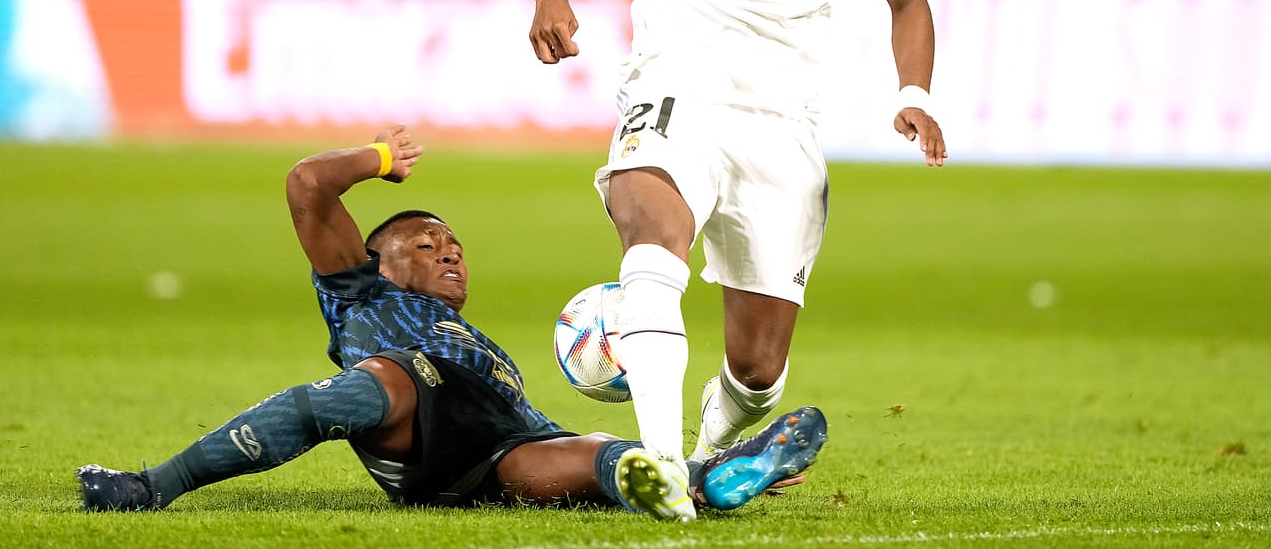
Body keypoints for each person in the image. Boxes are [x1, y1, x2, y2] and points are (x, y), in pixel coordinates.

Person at [527, 0, 947, 521]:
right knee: (653, 245)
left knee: (757, 372)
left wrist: (913, 93)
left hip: (778, 126)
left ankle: (705, 458)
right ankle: (660, 468)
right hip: (670, 91)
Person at [75, 126, 828, 522]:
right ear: (378, 257)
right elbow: (306, 185)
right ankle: (152, 486)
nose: (449, 251)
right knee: (387, 380)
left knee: (594, 458)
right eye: (427, 243)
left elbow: (521, 429)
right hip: (407, 416)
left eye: (456, 246)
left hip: (494, 455)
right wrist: (378, 157)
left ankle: (706, 478)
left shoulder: (482, 348)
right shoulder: (358, 292)